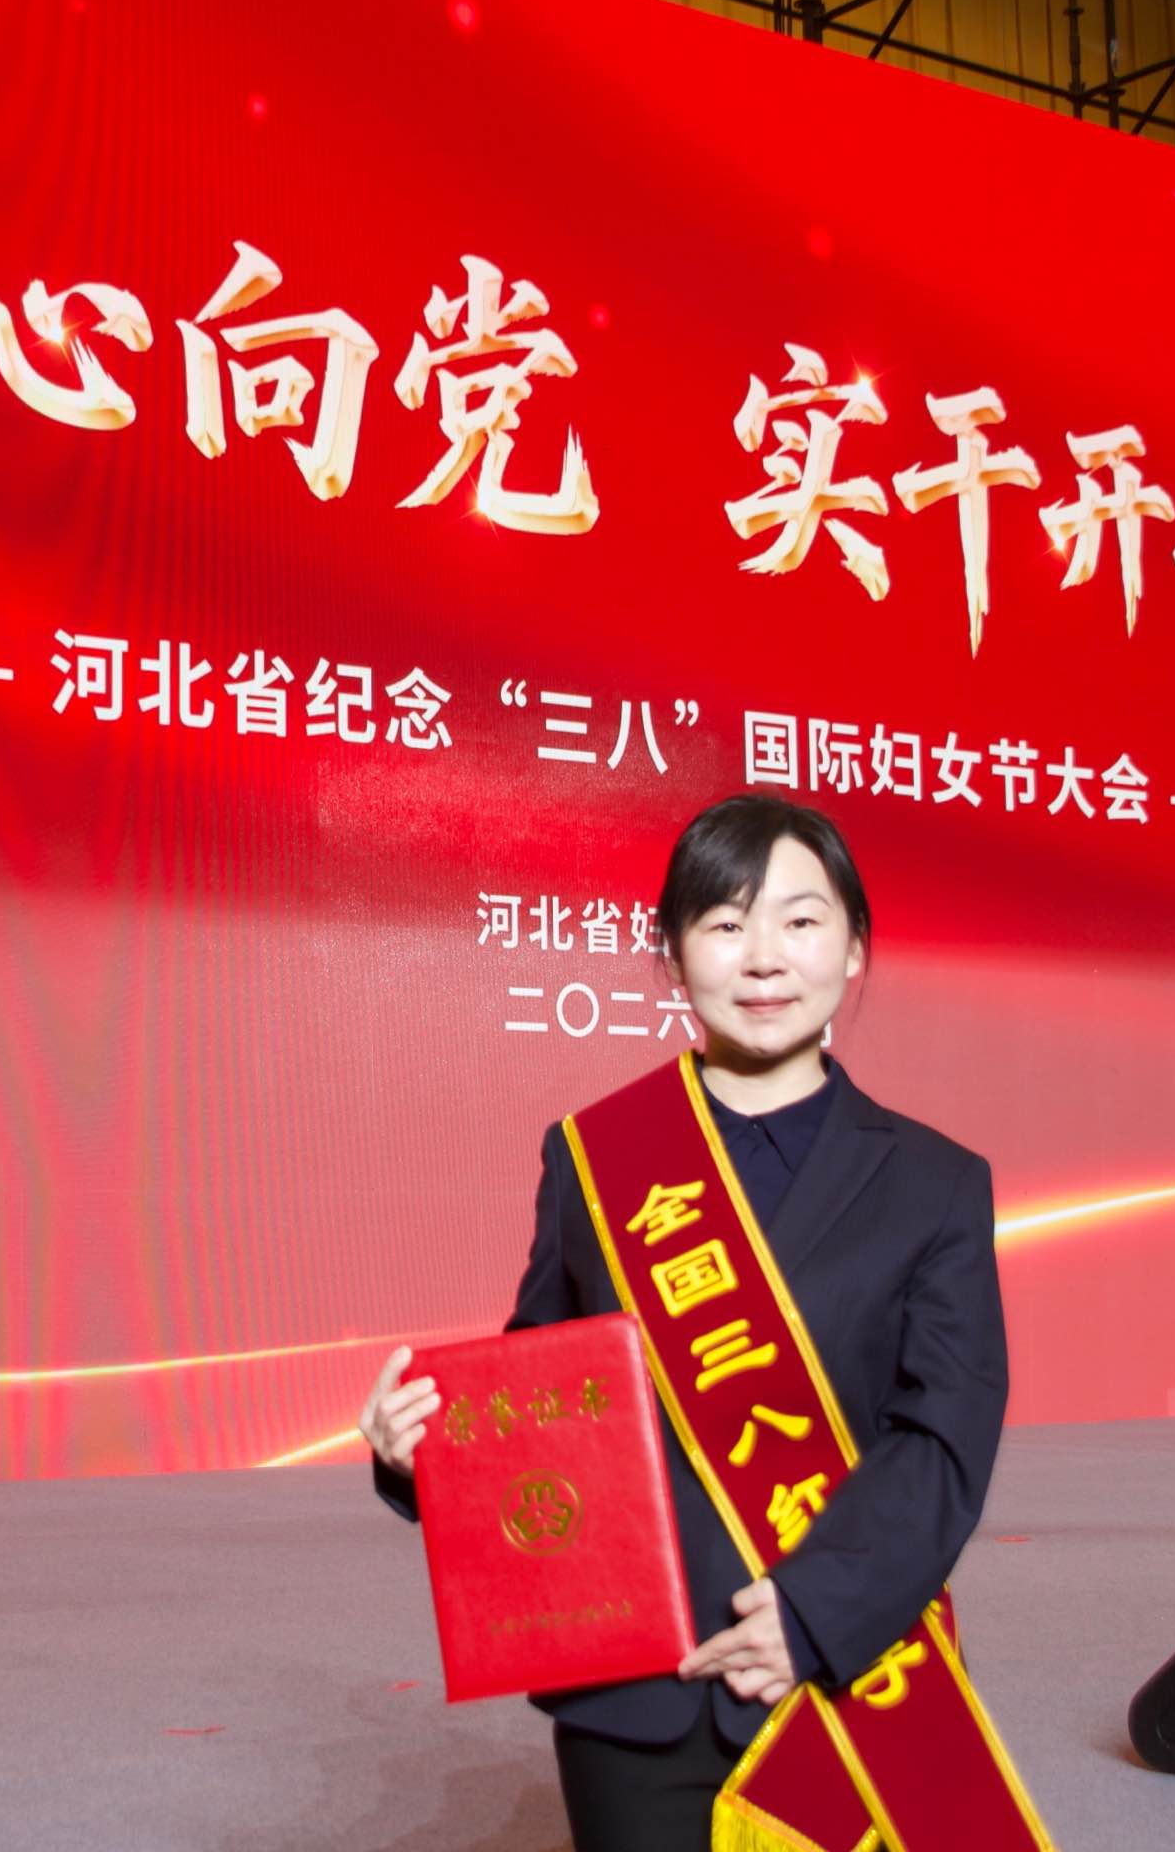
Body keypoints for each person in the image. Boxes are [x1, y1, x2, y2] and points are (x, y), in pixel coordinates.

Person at [360, 792, 1009, 1852]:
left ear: (854, 949)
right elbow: (542, 1404)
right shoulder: (595, 1157)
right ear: (671, 955)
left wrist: (814, 1616)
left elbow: (942, 1439)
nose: (764, 957)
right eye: (724, 922)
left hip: (845, 1674)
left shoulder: (936, 1184)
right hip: (634, 1692)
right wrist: (419, 1454)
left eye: (801, 920)